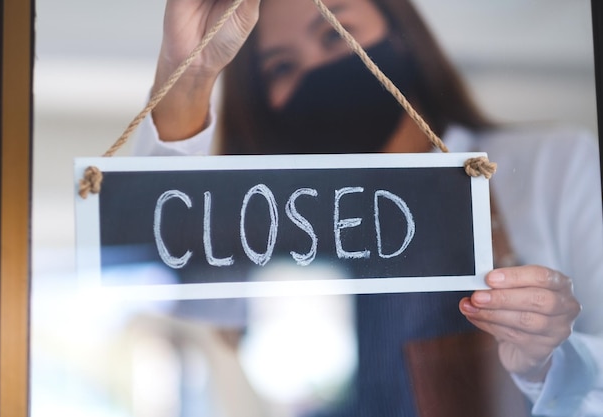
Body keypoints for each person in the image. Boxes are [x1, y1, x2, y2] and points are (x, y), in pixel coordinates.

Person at [133, 0, 603, 415]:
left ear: (401, 30)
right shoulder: (281, 221)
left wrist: (547, 360)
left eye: (336, 34)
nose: (316, 67)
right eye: (281, 67)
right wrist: (188, 74)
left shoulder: (551, 164)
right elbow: (163, 268)